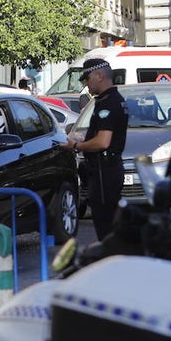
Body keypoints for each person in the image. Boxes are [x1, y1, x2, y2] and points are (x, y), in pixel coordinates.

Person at [61, 57, 128, 241]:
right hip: (104, 169)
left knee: (105, 224)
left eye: (87, 78)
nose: (86, 84)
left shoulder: (109, 102)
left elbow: (103, 142)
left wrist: (76, 145)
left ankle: (110, 261)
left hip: (104, 170)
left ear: (99, 76)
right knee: (106, 221)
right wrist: (83, 138)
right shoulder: (109, 100)